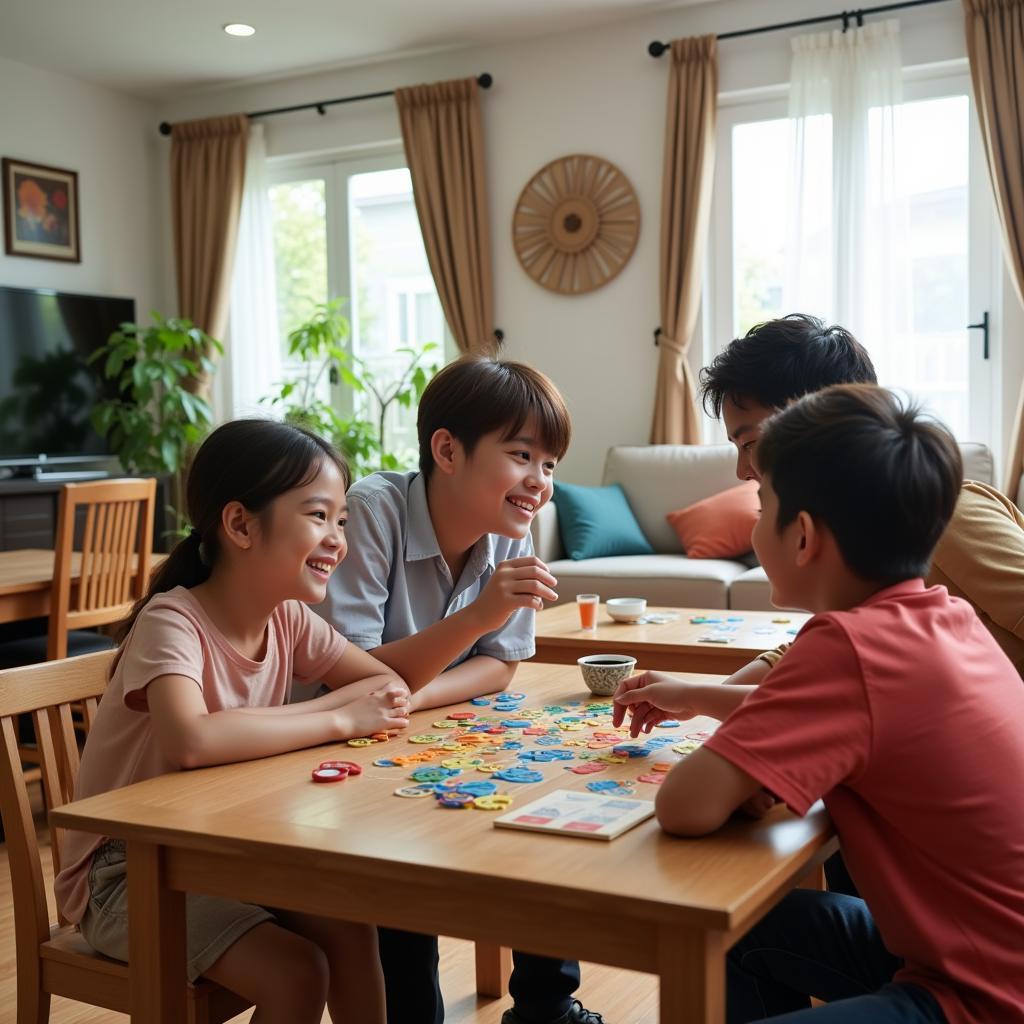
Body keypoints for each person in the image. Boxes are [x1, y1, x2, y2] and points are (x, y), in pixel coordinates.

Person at [613, 384, 1024, 1022]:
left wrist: (742, 775)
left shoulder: (847, 645)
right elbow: (856, 720)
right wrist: (706, 704)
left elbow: (685, 804)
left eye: (761, 505)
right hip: (975, 954)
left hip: (983, 998)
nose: (753, 526)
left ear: (802, 536)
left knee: (724, 922)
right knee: (746, 924)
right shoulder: (950, 617)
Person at [54, 419, 412, 1024]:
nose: (337, 540)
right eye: (318, 516)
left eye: (341, 521)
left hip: (227, 847)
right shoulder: (174, 622)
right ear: (241, 524)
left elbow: (385, 685)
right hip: (127, 875)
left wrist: (343, 711)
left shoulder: (289, 620)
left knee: (352, 930)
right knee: (297, 973)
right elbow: (190, 739)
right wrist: (338, 717)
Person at [321, 355, 602, 1024]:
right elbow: (350, 670)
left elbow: (500, 666)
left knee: (542, 808)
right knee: (396, 871)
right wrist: (473, 619)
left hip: (408, 727)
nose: (540, 483)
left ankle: (546, 1007)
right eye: (523, 455)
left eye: (551, 465)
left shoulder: (512, 530)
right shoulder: (372, 511)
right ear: (447, 450)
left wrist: (408, 699)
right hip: (329, 751)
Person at [699, 313, 1024, 683]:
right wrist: (704, 697)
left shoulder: (944, 515)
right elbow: (829, 644)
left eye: (751, 444)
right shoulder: (846, 529)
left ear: (822, 422)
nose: (743, 471)